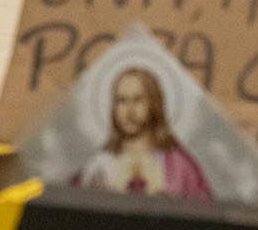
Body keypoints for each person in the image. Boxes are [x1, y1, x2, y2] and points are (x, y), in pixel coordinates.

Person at [73, 67, 211, 197]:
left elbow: (203, 210)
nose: (129, 110)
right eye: (122, 101)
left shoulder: (179, 165)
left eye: (138, 100)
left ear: (154, 103)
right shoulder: (98, 164)